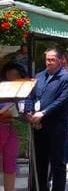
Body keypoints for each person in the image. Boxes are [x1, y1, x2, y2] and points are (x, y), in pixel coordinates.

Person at [26, 46, 68, 191]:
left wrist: (43, 113)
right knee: (40, 163)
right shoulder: (39, 76)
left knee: (57, 164)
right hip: (38, 126)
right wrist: (29, 111)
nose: (49, 62)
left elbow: (62, 101)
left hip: (56, 128)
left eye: (53, 60)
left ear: (60, 60)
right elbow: (30, 95)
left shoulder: (67, 79)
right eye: (47, 59)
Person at [0, 63, 27, 191]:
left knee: (10, 165)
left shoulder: (24, 90)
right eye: (10, 74)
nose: (13, 77)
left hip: (14, 131)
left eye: (16, 74)